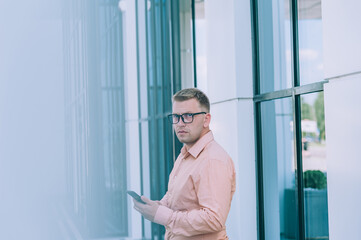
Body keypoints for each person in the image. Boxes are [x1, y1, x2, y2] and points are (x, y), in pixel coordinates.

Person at [133, 88, 236, 239]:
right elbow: (176, 196)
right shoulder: (185, 154)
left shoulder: (212, 160)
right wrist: (158, 207)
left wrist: (164, 216)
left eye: (188, 116)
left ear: (206, 120)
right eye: (176, 116)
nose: (180, 123)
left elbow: (214, 219)